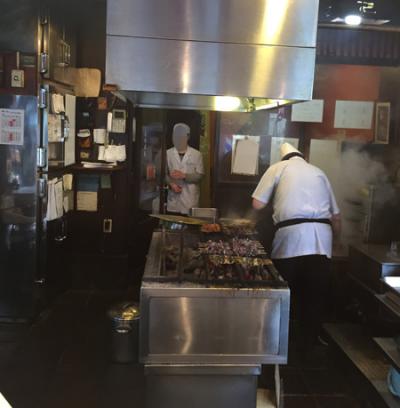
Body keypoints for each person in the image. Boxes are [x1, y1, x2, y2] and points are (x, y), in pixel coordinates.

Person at [252, 143, 341, 350]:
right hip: (322, 241)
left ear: (283, 158)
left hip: (291, 238)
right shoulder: (318, 171)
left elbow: (257, 204)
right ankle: (310, 341)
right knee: (315, 293)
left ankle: (276, 342)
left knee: (284, 291)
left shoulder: (277, 168)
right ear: (303, 157)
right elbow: (336, 217)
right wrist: (336, 242)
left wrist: (276, 198)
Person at [166, 123, 204, 215]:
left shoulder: (196, 154)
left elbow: (200, 176)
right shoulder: (167, 153)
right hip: (173, 201)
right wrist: (171, 184)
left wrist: (184, 176)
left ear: (188, 137)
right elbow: (163, 174)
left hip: (190, 200)